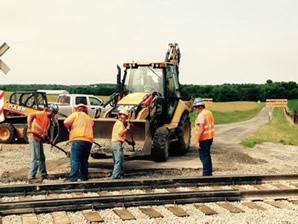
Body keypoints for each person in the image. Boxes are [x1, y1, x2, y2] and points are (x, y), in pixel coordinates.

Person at [27, 104, 59, 182]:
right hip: (34, 136)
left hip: (39, 138)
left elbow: (45, 130)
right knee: (36, 157)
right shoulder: (41, 113)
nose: (54, 115)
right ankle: (31, 176)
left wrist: (47, 139)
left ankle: (43, 174)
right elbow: (30, 115)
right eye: (54, 113)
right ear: (51, 111)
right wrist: (29, 126)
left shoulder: (48, 119)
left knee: (42, 157)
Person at [64, 104, 94, 182]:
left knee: (75, 159)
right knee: (84, 160)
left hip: (78, 139)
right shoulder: (89, 118)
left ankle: (73, 178)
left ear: (77, 109)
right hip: (88, 141)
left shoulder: (76, 114)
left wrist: (68, 128)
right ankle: (84, 177)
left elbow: (66, 122)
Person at [193, 97, 215, 176]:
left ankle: (206, 175)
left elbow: (201, 129)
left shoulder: (201, 115)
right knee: (207, 156)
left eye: (195, 107)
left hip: (203, 139)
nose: (195, 110)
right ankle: (209, 174)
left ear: (199, 107)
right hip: (209, 138)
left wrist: (196, 141)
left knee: (204, 157)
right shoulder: (208, 112)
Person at [111, 109, 132, 179]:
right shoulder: (120, 123)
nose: (125, 118)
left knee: (118, 160)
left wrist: (128, 141)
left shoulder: (117, 123)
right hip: (117, 144)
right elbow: (120, 133)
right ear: (120, 116)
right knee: (119, 160)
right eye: (125, 116)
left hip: (114, 143)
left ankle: (119, 174)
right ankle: (115, 176)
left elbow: (119, 135)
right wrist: (127, 128)